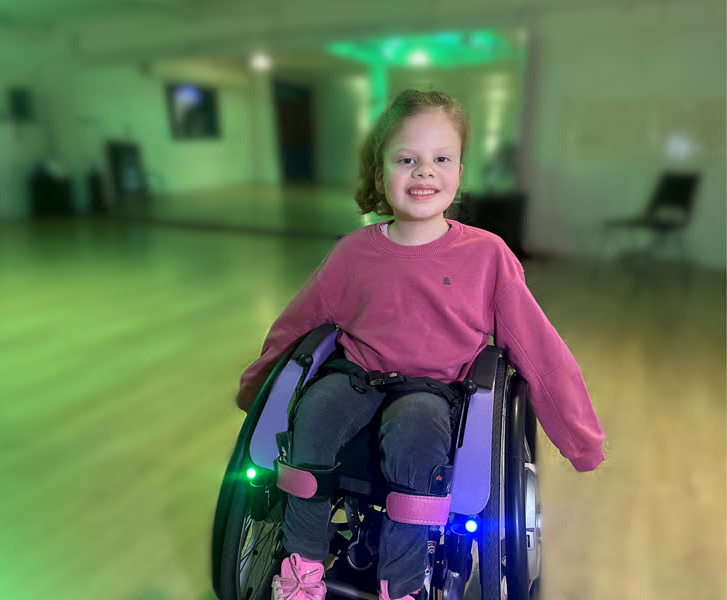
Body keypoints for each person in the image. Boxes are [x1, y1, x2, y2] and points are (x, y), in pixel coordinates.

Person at [235, 89, 606, 600]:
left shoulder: (487, 256)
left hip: (434, 390)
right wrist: (257, 391)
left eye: (441, 159)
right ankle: (302, 568)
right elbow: (295, 327)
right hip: (357, 376)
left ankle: (403, 586)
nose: (424, 171)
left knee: (415, 432)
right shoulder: (352, 254)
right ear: (380, 174)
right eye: (406, 159)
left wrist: (579, 439)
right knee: (315, 411)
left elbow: (539, 352)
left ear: (459, 173)